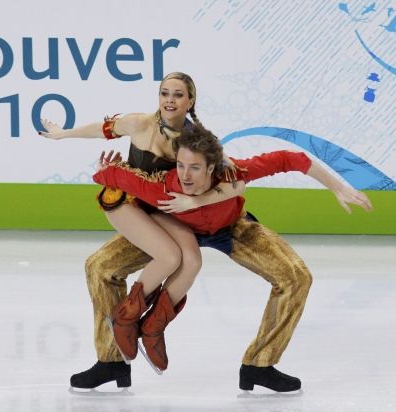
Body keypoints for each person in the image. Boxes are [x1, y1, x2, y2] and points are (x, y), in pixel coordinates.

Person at [93, 124, 373, 391]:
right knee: (100, 266)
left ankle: (259, 365)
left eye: (195, 168)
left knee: (297, 276)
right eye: (180, 165)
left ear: (212, 168)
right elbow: (110, 178)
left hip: (230, 228)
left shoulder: (232, 175)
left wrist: (337, 186)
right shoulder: (160, 185)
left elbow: (292, 158)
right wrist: (105, 169)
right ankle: (112, 361)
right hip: (171, 232)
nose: (185, 176)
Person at [40, 72, 243, 388]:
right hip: (128, 202)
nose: (169, 100)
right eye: (164, 93)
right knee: (168, 257)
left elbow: (233, 179)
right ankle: (125, 319)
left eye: (177, 95)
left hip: (162, 210)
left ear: (190, 101)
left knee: (192, 261)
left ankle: (152, 327)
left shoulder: (194, 141)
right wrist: (64, 134)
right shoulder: (138, 123)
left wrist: (201, 197)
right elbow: (101, 129)